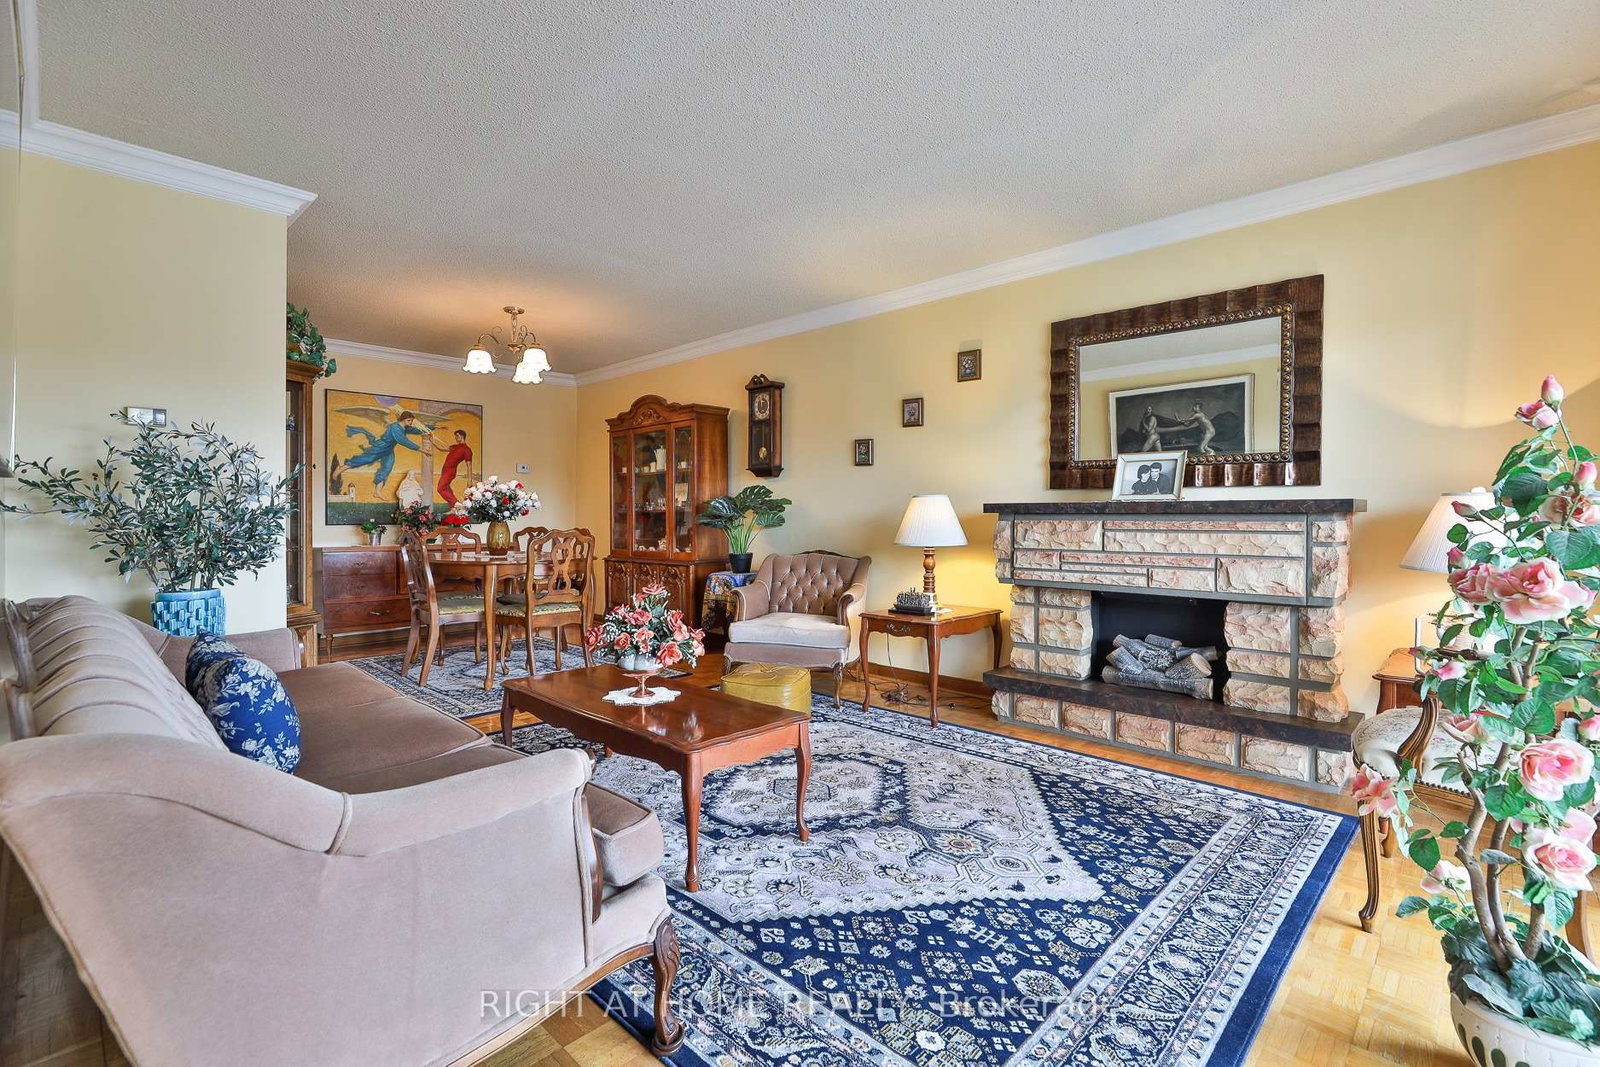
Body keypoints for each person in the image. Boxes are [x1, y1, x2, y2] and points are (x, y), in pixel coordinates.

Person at [334, 411, 423, 491]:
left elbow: (415, 430)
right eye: (409, 420)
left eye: (411, 421)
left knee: (387, 467)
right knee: (366, 459)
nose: (410, 422)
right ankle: (341, 468)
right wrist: (421, 450)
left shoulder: (405, 427)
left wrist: (428, 429)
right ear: (403, 419)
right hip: (381, 446)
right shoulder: (395, 427)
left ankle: (378, 491)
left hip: (389, 449)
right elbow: (403, 441)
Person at [435, 428, 474, 506]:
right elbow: (441, 449)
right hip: (444, 470)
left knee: (440, 488)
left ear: (462, 436)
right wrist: (432, 441)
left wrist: (469, 480)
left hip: (450, 471)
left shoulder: (467, 450)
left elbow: (469, 466)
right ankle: (453, 507)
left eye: (457, 436)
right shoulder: (454, 447)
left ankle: (457, 504)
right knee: (447, 489)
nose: (455, 438)